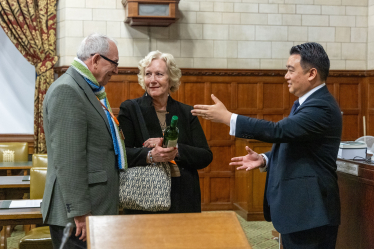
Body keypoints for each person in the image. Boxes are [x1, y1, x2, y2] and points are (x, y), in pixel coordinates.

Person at [192, 42, 342, 249]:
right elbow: (297, 145)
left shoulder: (321, 106)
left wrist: (229, 118)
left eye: (291, 70)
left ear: (311, 73)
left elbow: (278, 131)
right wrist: (265, 159)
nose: (286, 76)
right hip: (301, 212)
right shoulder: (305, 103)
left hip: (311, 212)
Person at [42, 33, 126, 249]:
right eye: (114, 63)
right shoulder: (68, 90)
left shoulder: (86, 89)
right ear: (96, 60)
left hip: (93, 207)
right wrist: (80, 211)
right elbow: (69, 158)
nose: (116, 70)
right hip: (78, 216)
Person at [118, 50, 213, 214]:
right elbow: (122, 153)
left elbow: (205, 156)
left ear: (171, 79)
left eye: (159, 74)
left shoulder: (186, 112)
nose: (153, 80)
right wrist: (150, 155)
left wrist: (175, 150)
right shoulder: (130, 109)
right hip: (145, 195)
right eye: (148, 74)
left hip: (183, 196)